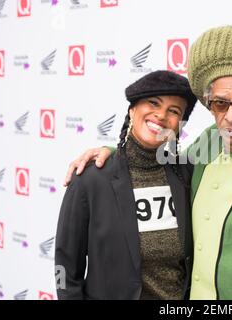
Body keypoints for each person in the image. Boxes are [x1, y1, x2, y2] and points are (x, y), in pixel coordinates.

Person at [64, 26, 232, 299]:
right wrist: (115, 153)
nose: (229, 117)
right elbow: (157, 159)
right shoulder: (209, 141)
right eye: (219, 103)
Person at [55, 70, 197, 299]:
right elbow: (66, 266)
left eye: (173, 111)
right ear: (132, 110)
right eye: (153, 103)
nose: (161, 115)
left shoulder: (188, 175)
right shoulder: (91, 178)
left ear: (179, 126)